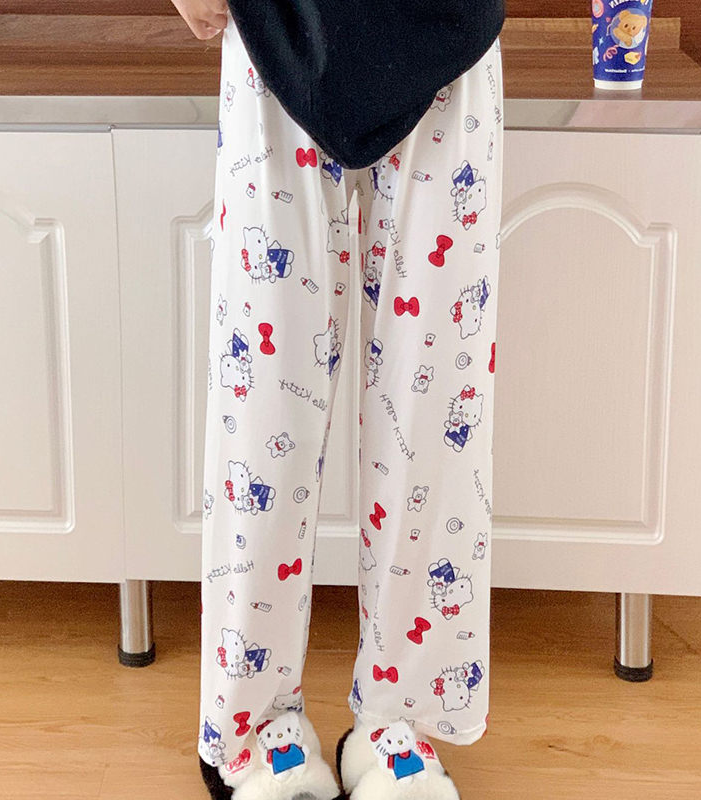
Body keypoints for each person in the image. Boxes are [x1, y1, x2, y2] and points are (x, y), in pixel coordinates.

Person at [171, 1, 505, 797]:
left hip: (447, 38)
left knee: (437, 405)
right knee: (265, 400)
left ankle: (400, 718)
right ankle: (252, 721)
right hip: (274, 33)